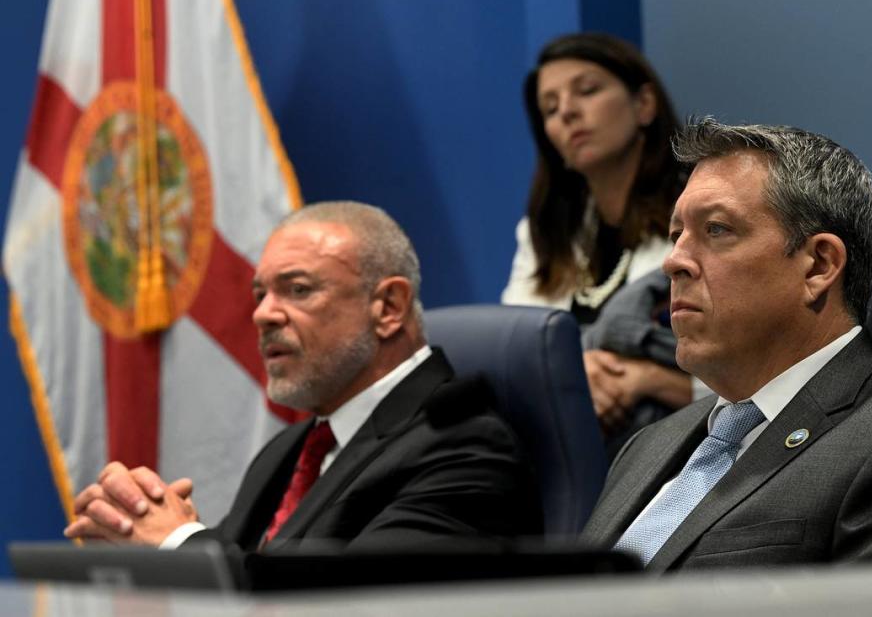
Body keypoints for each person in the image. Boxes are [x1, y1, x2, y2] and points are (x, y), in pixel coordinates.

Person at [64, 201, 542, 552]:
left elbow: (344, 605)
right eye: (260, 295)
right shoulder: (288, 452)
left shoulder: (464, 448)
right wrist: (143, 554)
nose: (263, 315)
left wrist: (180, 542)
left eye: (297, 290)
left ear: (388, 308)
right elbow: (241, 576)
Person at [580, 118, 872, 572]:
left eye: (716, 229)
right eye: (676, 236)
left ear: (818, 265)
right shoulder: (648, 446)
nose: (673, 261)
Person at [501, 32, 698, 444]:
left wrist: (649, 380)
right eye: (549, 109)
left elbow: (757, 378)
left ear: (643, 104)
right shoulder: (545, 233)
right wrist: (577, 372)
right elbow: (517, 349)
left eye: (587, 91)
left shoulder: (701, 214)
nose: (567, 112)